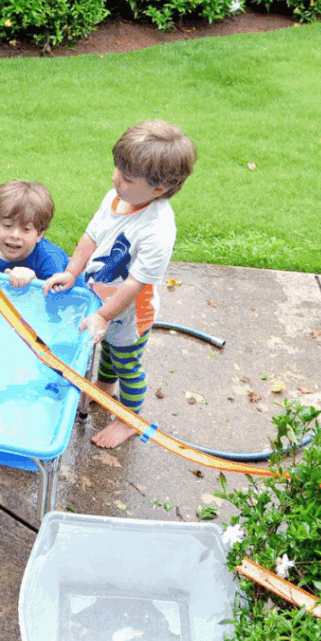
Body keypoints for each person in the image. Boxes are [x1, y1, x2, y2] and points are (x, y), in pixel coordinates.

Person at [44, 121, 196, 448]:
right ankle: (105, 387)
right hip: (101, 300)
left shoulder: (157, 230)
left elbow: (134, 285)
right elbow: (92, 235)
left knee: (127, 363)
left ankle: (129, 419)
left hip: (128, 312)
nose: (116, 178)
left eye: (127, 178)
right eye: (118, 169)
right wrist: (72, 272)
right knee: (109, 351)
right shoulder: (117, 196)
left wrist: (104, 315)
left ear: (158, 189)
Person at [0, 181, 69, 288]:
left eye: (26, 229)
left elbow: (58, 299)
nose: (15, 235)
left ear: (39, 234)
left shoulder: (50, 258)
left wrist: (34, 282)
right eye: (7, 225)